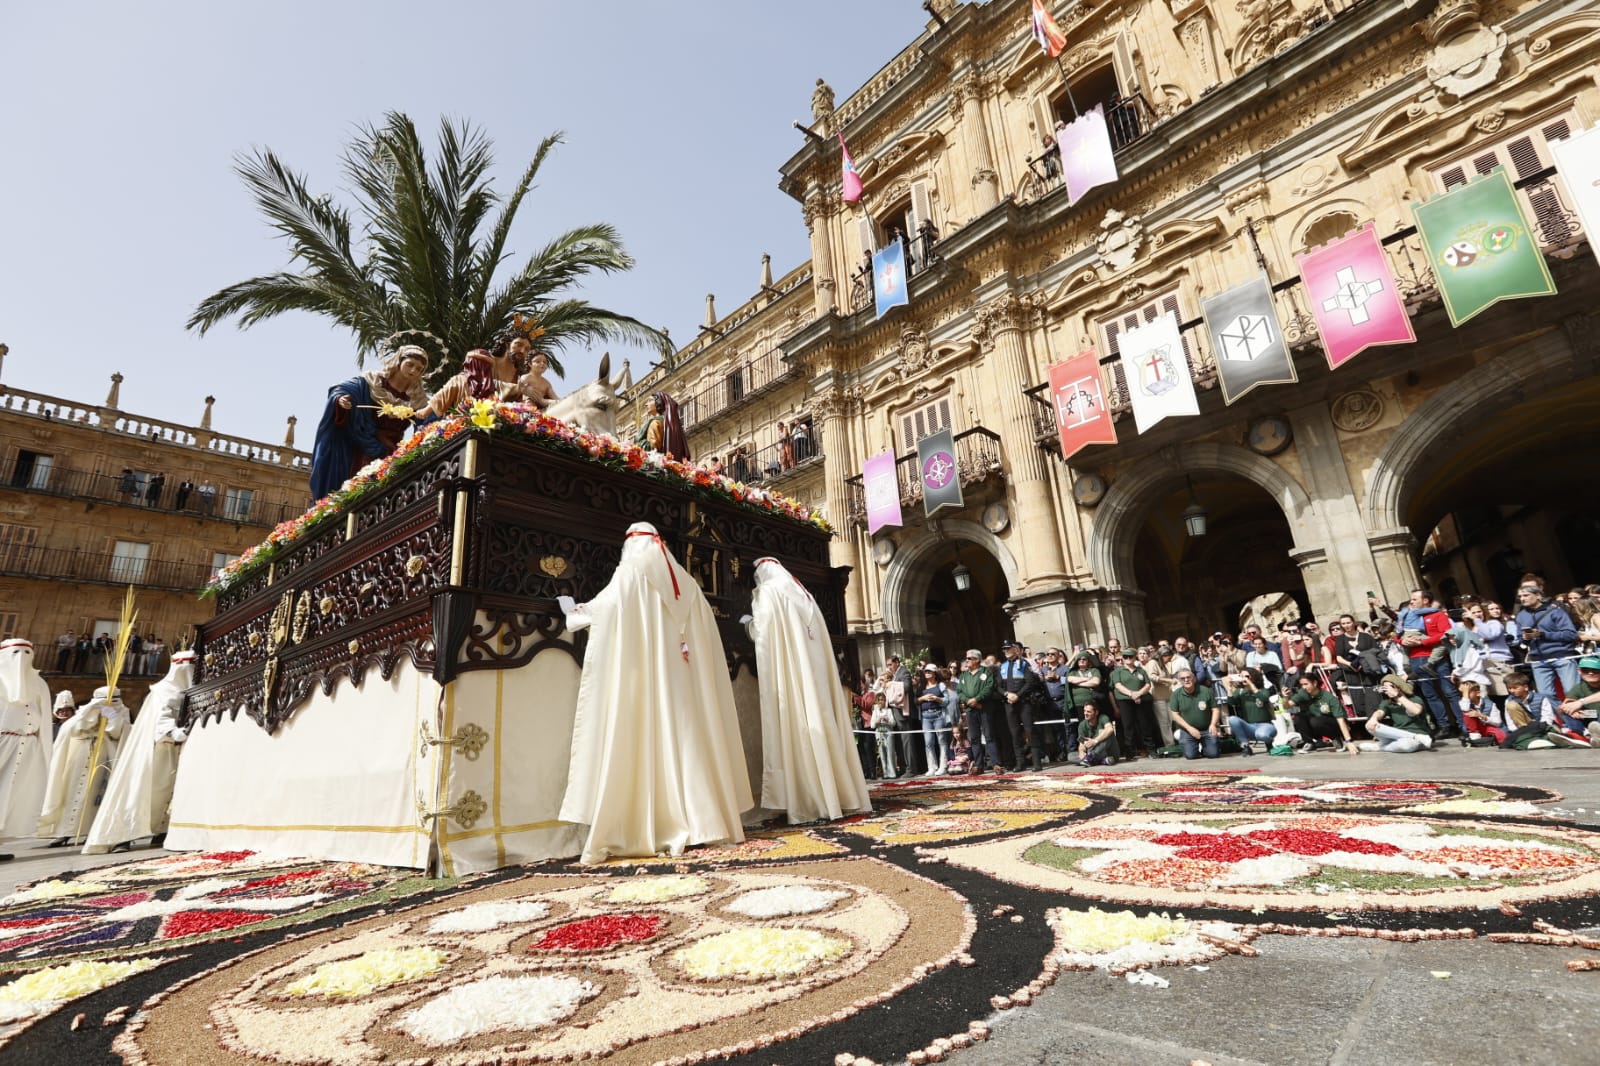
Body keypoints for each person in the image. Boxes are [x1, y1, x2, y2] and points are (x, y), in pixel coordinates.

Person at [557, 522, 752, 863]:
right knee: (688, 741)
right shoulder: (689, 585)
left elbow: (604, 609)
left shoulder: (630, 571)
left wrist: (571, 610)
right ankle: (703, 821)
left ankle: (649, 825)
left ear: (632, 545)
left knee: (649, 743)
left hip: (646, 678)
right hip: (686, 683)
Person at [745, 558, 870, 823]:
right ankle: (836, 793)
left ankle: (808, 798)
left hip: (793, 675)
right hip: (817, 678)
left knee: (799, 726)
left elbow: (763, 634)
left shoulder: (768, 591)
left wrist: (748, 624)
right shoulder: (804, 594)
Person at [85, 650, 196, 853]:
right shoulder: (163, 691)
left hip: (176, 748)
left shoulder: (190, 690)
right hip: (159, 748)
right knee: (148, 791)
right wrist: (175, 732)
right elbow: (162, 718)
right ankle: (123, 836)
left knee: (169, 792)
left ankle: (161, 831)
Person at [310, 344, 432, 501]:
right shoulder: (371, 382)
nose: (414, 371)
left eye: (419, 369)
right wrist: (341, 400)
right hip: (358, 448)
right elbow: (342, 390)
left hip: (390, 454)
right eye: (410, 364)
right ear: (398, 362)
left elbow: (427, 423)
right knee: (352, 491)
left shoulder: (418, 398)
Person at [37, 685, 129, 847]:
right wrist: (90, 711)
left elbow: (117, 731)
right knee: (70, 792)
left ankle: (91, 831)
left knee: (96, 797)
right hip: (79, 755)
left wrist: (110, 714)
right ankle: (64, 831)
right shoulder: (84, 711)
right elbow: (74, 728)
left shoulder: (122, 711)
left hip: (105, 756)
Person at [0, 639, 53, 862]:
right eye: (16, 652)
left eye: (26, 652)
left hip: (29, 745)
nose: (21, 656)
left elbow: (46, 715)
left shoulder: (39, 683)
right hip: (4, 743)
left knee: (13, 796)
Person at [1515, 582, 1580, 699]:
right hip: (1538, 660)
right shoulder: (1521, 616)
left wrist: (1543, 634)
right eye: (1520, 596)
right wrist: (1525, 639)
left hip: (1562, 657)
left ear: (1538, 595)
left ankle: (1586, 717)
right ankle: (1563, 718)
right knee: (1546, 697)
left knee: (1572, 693)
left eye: (1525, 595)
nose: (1522, 599)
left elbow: (1571, 634)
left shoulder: (1555, 611)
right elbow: (1520, 639)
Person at [996, 641, 1047, 772]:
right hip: (1009, 703)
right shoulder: (1002, 666)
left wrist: (1018, 695)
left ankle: (1036, 762)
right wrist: (1007, 694)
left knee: (1030, 731)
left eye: (1008, 648)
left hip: (1024, 702)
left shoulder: (1024, 664)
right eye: (1004, 649)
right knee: (1014, 733)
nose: (1006, 651)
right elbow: (998, 686)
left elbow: (1030, 682)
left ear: (1015, 649)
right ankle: (1020, 762)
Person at [956, 648, 1001, 774]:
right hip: (971, 710)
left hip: (984, 708)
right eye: (966, 658)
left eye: (969, 658)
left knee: (989, 736)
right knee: (974, 738)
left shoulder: (986, 672)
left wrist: (977, 699)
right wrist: (968, 700)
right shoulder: (964, 675)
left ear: (977, 660)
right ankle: (979, 765)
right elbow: (960, 691)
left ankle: (996, 764)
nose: (967, 660)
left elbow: (989, 687)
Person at [1289, 672, 1359, 753]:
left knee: (1315, 721)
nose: (1303, 687)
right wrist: (1285, 697)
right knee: (1299, 717)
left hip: (1336, 724)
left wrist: (1349, 741)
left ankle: (1336, 738)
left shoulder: (1329, 698)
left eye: (1306, 684)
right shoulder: (1303, 693)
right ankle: (1309, 743)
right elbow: (1287, 705)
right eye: (1302, 685)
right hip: (1317, 722)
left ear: (1315, 683)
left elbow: (1341, 720)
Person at [1363, 675, 1433, 753]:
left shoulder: (1415, 699)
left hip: (1416, 734)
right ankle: (1416, 737)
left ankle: (1380, 746)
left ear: (1398, 687)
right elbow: (1379, 712)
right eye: (1384, 687)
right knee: (1369, 725)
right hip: (1397, 735)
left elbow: (1415, 710)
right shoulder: (1387, 702)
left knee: (1405, 745)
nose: (1387, 690)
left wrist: (1397, 695)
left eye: (1390, 687)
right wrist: (1374, 718)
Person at [1110, 650, 1159, 757]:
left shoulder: (1140, 670)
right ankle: (1130, 751)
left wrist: (1139, 694)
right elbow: (1118, 685)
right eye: (1125, 657)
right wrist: (1132, 694)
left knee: (1145, 725)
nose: (1128, 659)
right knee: (1128, 726)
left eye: (1130, 656)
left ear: (1134, 657)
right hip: (1125, 701)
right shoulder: (1118, 671)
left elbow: (1147, 684)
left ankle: (1151, 749)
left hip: (1142, 700)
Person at [1169, 670, 1220, 759]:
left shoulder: (1206, 691)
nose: (1186, 680)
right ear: (1180, 681)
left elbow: (1215, 709)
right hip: (1187, 730)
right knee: (1190, 756)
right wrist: (1190, 729)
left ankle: (1205, 748)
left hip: (1207, 729)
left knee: (1213, 754)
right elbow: (1175, 715)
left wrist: (1213, 724)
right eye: (1183, 678)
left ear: (1194, 679)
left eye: (1188, 677)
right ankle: (1194, 747)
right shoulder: (1176, 694)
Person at [1226, 667, 1278, 755]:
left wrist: (1251, 685)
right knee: (1232, 719)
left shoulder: (1263, 690)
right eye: (1241, 676)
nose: (1244, 678)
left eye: (1246, 676)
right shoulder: (1240, 691)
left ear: (1253, 677)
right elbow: (1232, 703)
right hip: (1249, 726)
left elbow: (1264, 698)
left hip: (1265, 725)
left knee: (1261, 735)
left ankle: (1269, 743)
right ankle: (1246, 746)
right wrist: (1229, 688)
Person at [916, 665, 952, 775]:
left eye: (929, 671)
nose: (927, 673)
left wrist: (936, 698)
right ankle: (931, 766)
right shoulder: (921, 686)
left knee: (941, 740)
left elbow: (947, 700)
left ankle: (943, 765)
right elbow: (916, 700)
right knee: (928, 742)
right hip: (925, 716)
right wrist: (923, 698)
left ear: (935, 673)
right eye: (926, 671)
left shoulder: (940, 685)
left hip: (938, 715)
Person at [1557, 655, 1600, 742]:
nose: (1590, 673)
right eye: (1585, 670)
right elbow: (1562, 708)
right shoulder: (1578, 687)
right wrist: (1570, 710)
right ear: (1579, 671)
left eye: (1595, 670)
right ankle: (1579, 735)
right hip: (1593, 714)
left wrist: (1581, 702)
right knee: (1569, 711)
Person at [1459, 681, 1507, 746]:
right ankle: (1476, 738)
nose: (1465, 695)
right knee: (1467, 711)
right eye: (1463, 693)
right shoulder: (1464, 702)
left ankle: (1480, 741)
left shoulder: (1490, 704)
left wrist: (1480, 715)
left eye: (1468, 692)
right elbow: (1465, 708)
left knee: (1501, 736)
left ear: (1478, 693)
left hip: (1489, 728)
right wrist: (1465, 694)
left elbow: (1498, 723)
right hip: (1473, 730)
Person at [1077, 700, 1119, 766]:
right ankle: (1100, 761)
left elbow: (1110, 729)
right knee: (1070, 756)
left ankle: (1091, 758)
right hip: (1093, 752)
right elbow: (1082, 744)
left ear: (1096, 712)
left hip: (1109, 751)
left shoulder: (1103, 718)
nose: (1085, 713)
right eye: (1084, 711)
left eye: (1088, 712)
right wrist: (1081, 752)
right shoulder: (1082, 725)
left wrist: (1095, 741)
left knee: (1107, 733)